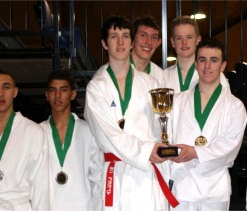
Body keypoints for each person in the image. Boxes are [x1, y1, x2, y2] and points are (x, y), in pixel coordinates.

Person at [84, 16, 179, 211]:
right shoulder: (96, 87)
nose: (120, 42)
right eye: (113, 36)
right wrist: (147, 151)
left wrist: (160, 150)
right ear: (104, 43)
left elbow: (162, 129)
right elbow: (107, 134)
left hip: (146, 178)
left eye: (125, 36)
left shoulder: (150, 84)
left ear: (131, 42)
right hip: (116, 175)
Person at [169, 39, 247, 211]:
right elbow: (166, 136)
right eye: (202, 60)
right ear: (196, 64)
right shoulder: (177, 101)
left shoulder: (235, 106)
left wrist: (195, 152)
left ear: (223, 65)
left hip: (215, 191)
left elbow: (230, 148)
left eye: (214, 60)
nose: (207, 66)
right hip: (182, 187)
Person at [0, 69, 52, 210]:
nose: (0, 93)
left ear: (15, 92)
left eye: (6, 87)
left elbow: (41, 186)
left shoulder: (34, 131)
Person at [40, 70, 104, 211]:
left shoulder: (89, 131)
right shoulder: (37, 132)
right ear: (47, 95)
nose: (57, 95)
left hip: (81, 206)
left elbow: (98, 177)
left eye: (63, 90)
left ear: (73, 94)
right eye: (53, 90)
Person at [131, 15, 165, 87]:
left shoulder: (160, 75)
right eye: (143, 35)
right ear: (132, 38)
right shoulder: (118, 69)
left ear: (159, 42)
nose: (149, 42)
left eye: (154, 37)